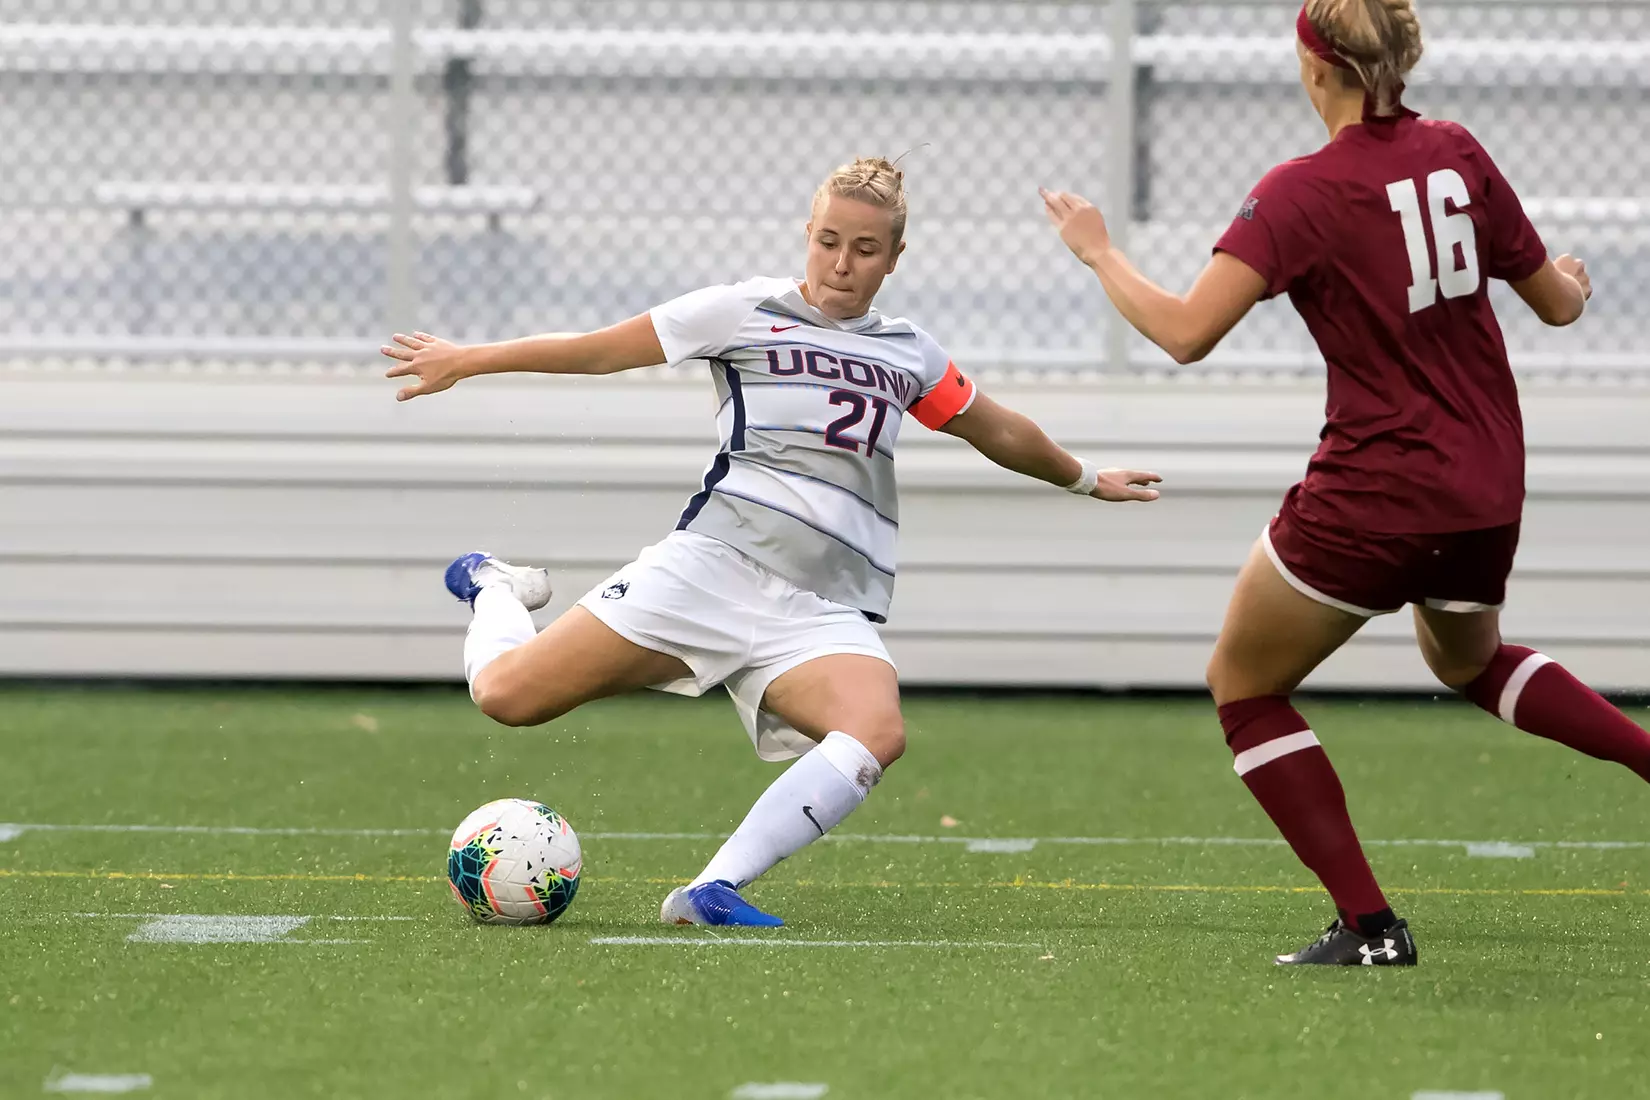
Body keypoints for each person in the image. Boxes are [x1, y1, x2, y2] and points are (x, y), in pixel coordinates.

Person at [383, 156, 1162, 928]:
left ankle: (709, 891)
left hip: (820, 606)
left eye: (864, 249)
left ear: (894, 258)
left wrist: (1086, 477)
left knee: (876, 732)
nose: (841, 263)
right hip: (710, 570)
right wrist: (470, 360)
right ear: (808, 235)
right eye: (828, 241)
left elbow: (996, 429)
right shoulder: (743, 310)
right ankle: (494, 585)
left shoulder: (908, 352)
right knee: (507, 697)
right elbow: (600, 347)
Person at [1042, 0, 1646, 966]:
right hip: (1487, 482)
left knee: (1243, 685)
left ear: (1313, 64)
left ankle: (1371, 928)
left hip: (1376, 491)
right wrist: (1567, 276)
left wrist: (1098, 250)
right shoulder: (1458, 152)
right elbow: (1561, 306)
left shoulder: (1300, 191)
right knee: (1468, 663)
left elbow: (1186, 333)